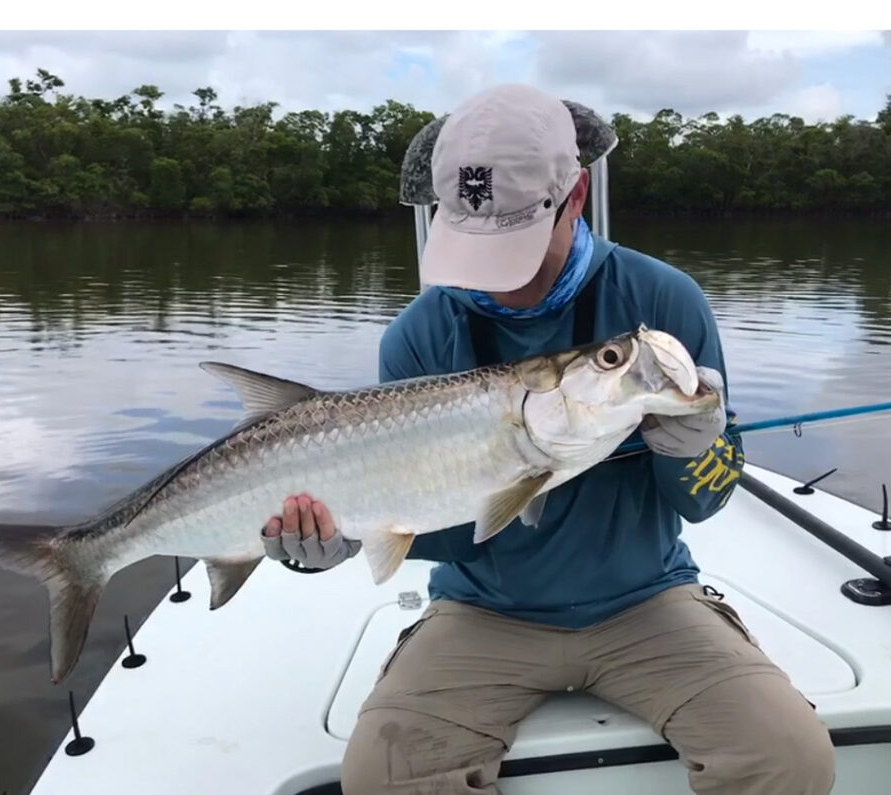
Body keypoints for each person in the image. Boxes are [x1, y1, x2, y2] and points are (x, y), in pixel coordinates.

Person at [260, 84, 836, 795]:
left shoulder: (663, 304)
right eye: (479, 247)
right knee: (381, 774)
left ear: (575, 195)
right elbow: (440, 533)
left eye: (520, 248)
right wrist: (343, 533)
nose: (501, 285)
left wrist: (696, 446)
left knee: (790, 757)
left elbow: (707, 501)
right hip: (482, 612)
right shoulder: (416, 335)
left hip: (648, 601)